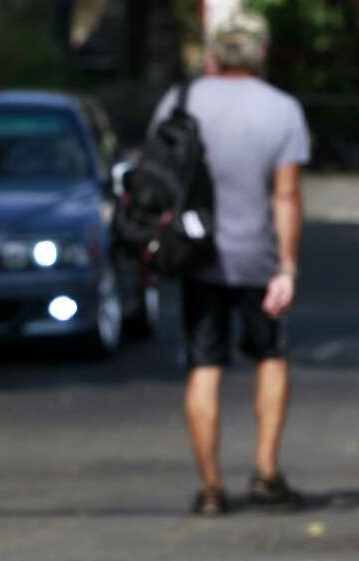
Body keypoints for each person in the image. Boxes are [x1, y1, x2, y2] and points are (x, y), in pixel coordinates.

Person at [149, 10, 310, 515]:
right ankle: (266, 472)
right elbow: (285, 197)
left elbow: (154, 183)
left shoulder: (180, 101)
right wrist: (287, 266)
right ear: (261, 52)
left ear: (215, 53)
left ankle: (211, 488)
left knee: (203, 365)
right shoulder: (281, 110)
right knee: (270, 358)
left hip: (196, 255)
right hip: (257, 256)